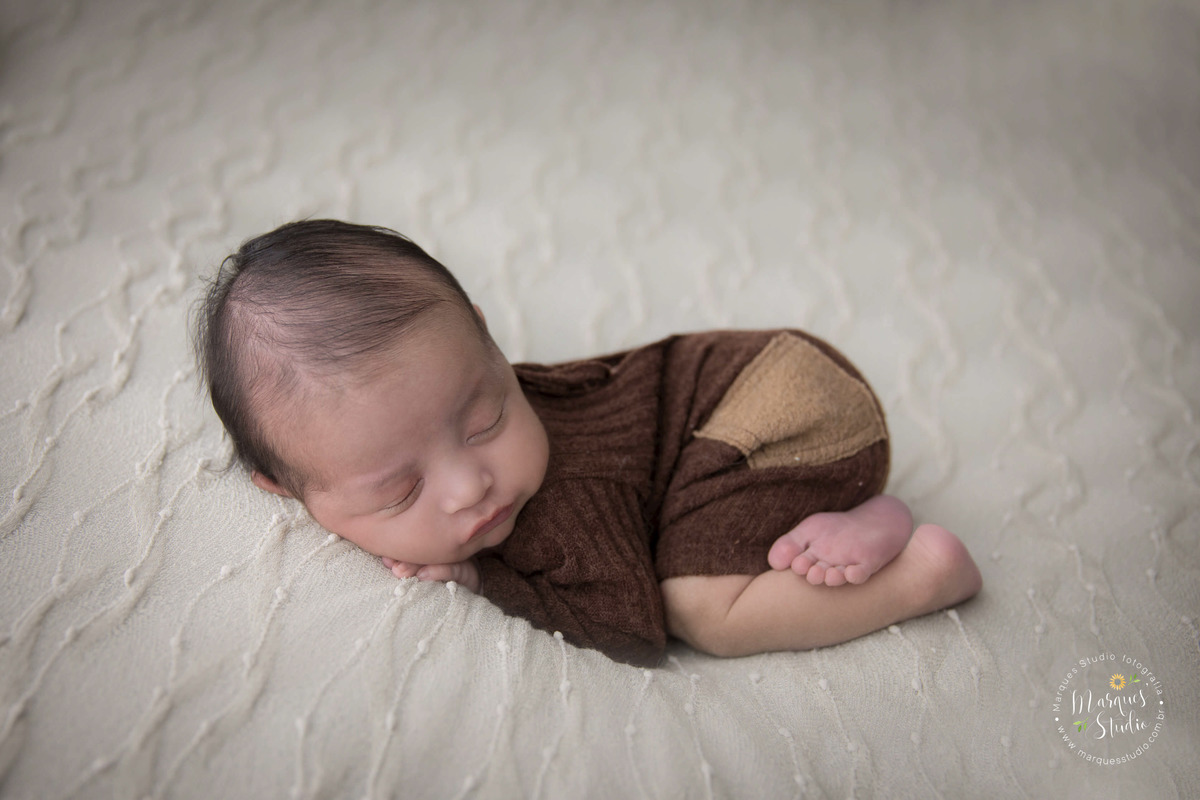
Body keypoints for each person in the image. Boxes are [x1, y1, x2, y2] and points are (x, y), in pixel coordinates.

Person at [194, 219, 982, 666]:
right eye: (400, 491)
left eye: (487, 420)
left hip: (777, 418)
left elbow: (634, 630)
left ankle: (921, 573)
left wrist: (482, 582)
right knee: (699, 528)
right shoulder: (445, 407)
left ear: (497, 356)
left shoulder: (569, 505)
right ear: (286, 489)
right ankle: (854, 512)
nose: (471, 486)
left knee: (704, 610)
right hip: (775, 385)